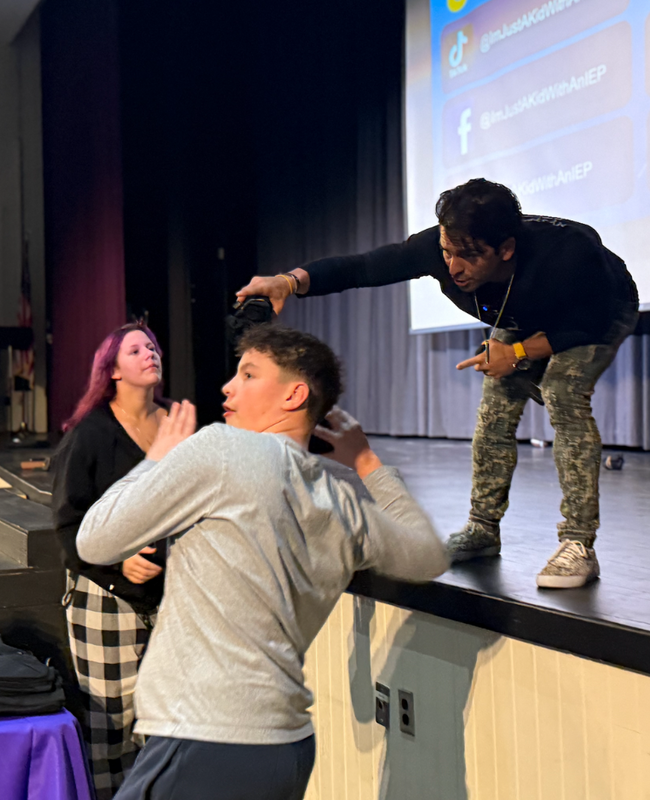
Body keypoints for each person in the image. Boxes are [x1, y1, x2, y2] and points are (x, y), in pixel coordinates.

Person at [75, 325, 448, 800]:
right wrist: (369, 464)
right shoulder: (342, 499)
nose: (228, 386)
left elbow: (94, 540)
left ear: (295, 394)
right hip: (286, 749)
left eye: (248, 374)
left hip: (207, 738)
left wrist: (156, 458)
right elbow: (429, 554)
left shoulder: (223, 450)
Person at [237, 178, 639, 589]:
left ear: (506, 249)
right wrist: (288, 281)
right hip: (523, 316)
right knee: (496, 405)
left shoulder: (569, 255)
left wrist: (517, 354)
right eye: (447, 252)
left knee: (562, 392)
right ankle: (482, 530)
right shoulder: (439, 248)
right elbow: (364, 267)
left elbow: (589, 323)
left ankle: (578, 543)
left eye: (468, 257)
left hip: (597, 313)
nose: (453, 267)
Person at [52, 320, 169, 800]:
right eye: (136, 349)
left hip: (170, 598)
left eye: (153, 346)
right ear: (113, 370)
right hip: (105, 597)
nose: (150, 353)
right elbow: (67, 524)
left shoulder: (177, 425)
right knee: (111, 729)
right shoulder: (93, 432)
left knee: (165, 724)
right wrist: (117, 566)